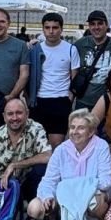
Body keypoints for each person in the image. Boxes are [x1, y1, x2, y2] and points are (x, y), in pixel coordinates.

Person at [28, 110, 111, 220]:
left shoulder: (101, 146)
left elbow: (106, 181)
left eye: (81, 128)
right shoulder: (61, 150)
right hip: (67, 194)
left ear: (91, 131)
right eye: (72, 127)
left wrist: (76, 188)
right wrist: (47, 196)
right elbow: (48, 180)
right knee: (34, 207)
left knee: (96, 201)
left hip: (94, 192)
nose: (75, 131)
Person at [27, 12, 80, 148]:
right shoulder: (35, 49)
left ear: (61, 29)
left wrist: (71, 95)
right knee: (37, 143)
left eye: (55, 27)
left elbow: (74, 75)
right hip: (39, 100)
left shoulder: (70, 49)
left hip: (60, 100)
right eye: (47, 27)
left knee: (57, 144)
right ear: (43, 29)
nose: (51, 31)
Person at [72, 10, 111, 111]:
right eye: (92, 24)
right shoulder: (80, 44)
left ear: (106, 25)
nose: (96, 27)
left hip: (108, 103)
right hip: (83, 102)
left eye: (100, 24)